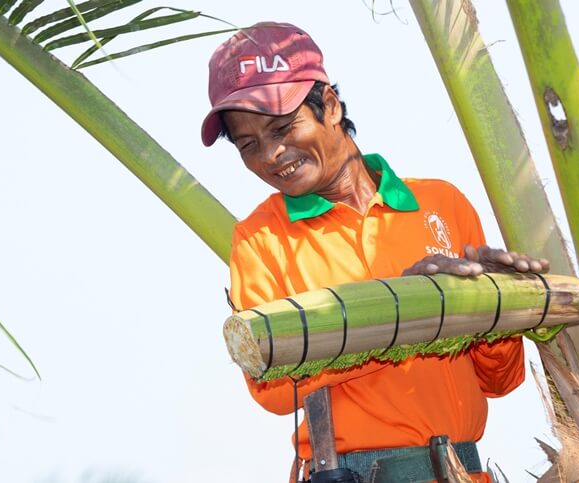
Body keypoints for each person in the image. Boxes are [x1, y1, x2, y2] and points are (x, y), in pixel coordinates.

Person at [201, 22, 549, 483]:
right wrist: (403, 310)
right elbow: (271, 387)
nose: (270, 155)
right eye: (248, 145)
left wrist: (493, 305)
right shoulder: (261, 239)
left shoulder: (443, 203)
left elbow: (501, 382)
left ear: (329, 103)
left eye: (283, 127)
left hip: (467, 470)